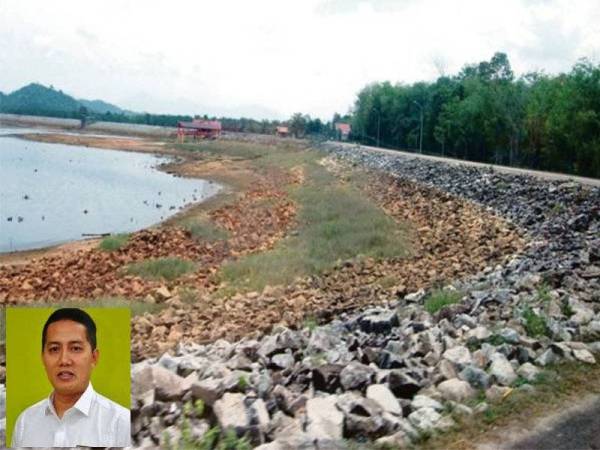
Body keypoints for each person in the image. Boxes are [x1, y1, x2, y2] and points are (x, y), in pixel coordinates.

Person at [11, 308, 130, 447]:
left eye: (75, 348)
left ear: (94, 357)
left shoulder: (120, 423)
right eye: (54, 349)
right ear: (43, 358)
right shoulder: (26, 422)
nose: (64, 360)